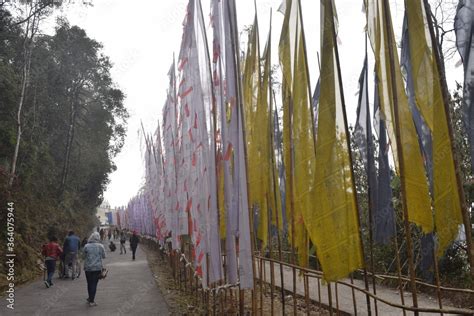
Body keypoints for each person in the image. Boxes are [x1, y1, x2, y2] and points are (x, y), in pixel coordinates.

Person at [83, 232, 106, 307]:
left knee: (89, 283)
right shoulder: (100, 246)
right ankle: (92, 301)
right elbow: (104, 256)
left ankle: (90, 298)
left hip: (88, 268)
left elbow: (83, 256)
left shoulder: (86, 246)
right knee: (94, 284)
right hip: (97, 268)